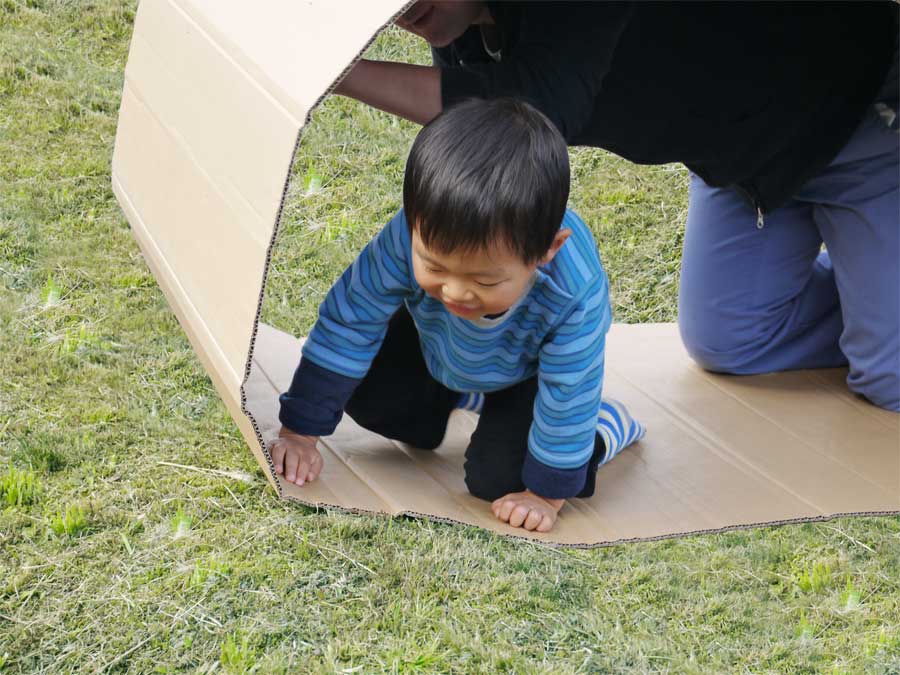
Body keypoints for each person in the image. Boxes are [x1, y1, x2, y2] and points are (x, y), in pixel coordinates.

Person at [334, 1, 900, 411]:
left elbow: (539, 105)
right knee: (729, 341)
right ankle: (876, 304)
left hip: (863, 126)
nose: (400, 9)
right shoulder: (465, 26)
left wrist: (340, 72)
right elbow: (490, 131)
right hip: (748, 167)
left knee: (889, 378)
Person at [270, 98, 645, 533]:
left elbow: (568, 386)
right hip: (439, 347)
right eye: (433, 267)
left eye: (484, 282)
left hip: (532, 379)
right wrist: (299, 432)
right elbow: (352, 317)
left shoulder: (574, 289)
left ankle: (602, 424)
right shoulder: (410, 231)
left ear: (547, 251)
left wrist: (547, 493)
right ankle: (470, 390)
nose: (454, 290)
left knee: (500, 480)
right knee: (365, 395)